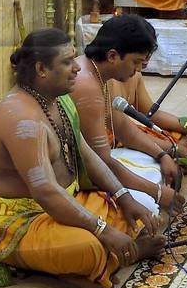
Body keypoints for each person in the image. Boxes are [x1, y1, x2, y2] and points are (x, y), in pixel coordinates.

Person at [0, 29, 165, 288]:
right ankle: (104, 259)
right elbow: (45, 191)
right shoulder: (22, 119)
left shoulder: (58, 101)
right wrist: (102, 230)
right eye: (67, 62)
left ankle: (97, 259)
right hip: (17, 224)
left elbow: (88, 156)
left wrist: (124, 196)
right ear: (41, 69)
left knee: (127, 210)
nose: (76, 69)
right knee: (88, 248)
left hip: (58, 204)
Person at [69, 15, 177, 216]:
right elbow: (101, 162)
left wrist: (162, 154)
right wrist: (156, 192)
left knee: (152, 168)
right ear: (112, 56)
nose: (138, 69)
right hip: (73, 173)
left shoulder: (102, 73)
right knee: (141, 208)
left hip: (95, 162)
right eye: (136, 62)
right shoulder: (87, 85)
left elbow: (123, 128)